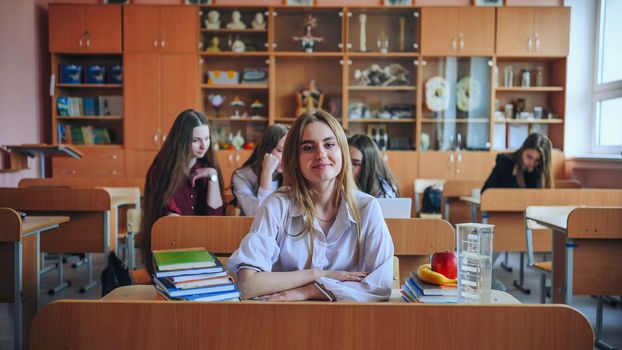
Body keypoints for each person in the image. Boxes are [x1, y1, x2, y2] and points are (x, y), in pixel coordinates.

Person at [227, 111, 394, 302]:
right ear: (295, 159)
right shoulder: (277, 205)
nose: (321, 154)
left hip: (347, 322)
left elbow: (381, 287)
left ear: (342, 152)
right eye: (308, 147)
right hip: (283, 320)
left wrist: (310, 291)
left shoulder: (367, 207)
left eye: (329, 144)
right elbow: (247, 285)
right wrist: (315, 274)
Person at [142, 109, 225, 273]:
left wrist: (213, 176)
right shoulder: (162, 169)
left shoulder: (207, 167)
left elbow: (215, 217)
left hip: (204, 248)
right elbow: (170, 219)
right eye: (196, 140)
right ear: (182, 140)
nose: (204, 146)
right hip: (171, 248)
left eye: (207, 139)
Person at [231, 124, 289, 216]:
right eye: (280, 151)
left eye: (290, 151)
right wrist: (267, 172)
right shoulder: (241, 177)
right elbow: (259, 216)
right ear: (266, 150)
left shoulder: (291, 174)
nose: (286, 158)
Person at [481, 132, 554, 193]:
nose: (532, 163)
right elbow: (485, 192)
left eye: (537, 160)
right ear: (523, 149)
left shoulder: (539, 169)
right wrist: (515, 173)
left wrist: (532, 175)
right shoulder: (505, 162)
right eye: (529, 157)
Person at [347, 134, 399, 198]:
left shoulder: (383, 193)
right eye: (346, 162)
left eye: (355, 163)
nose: (348, 168)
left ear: (368, 165)